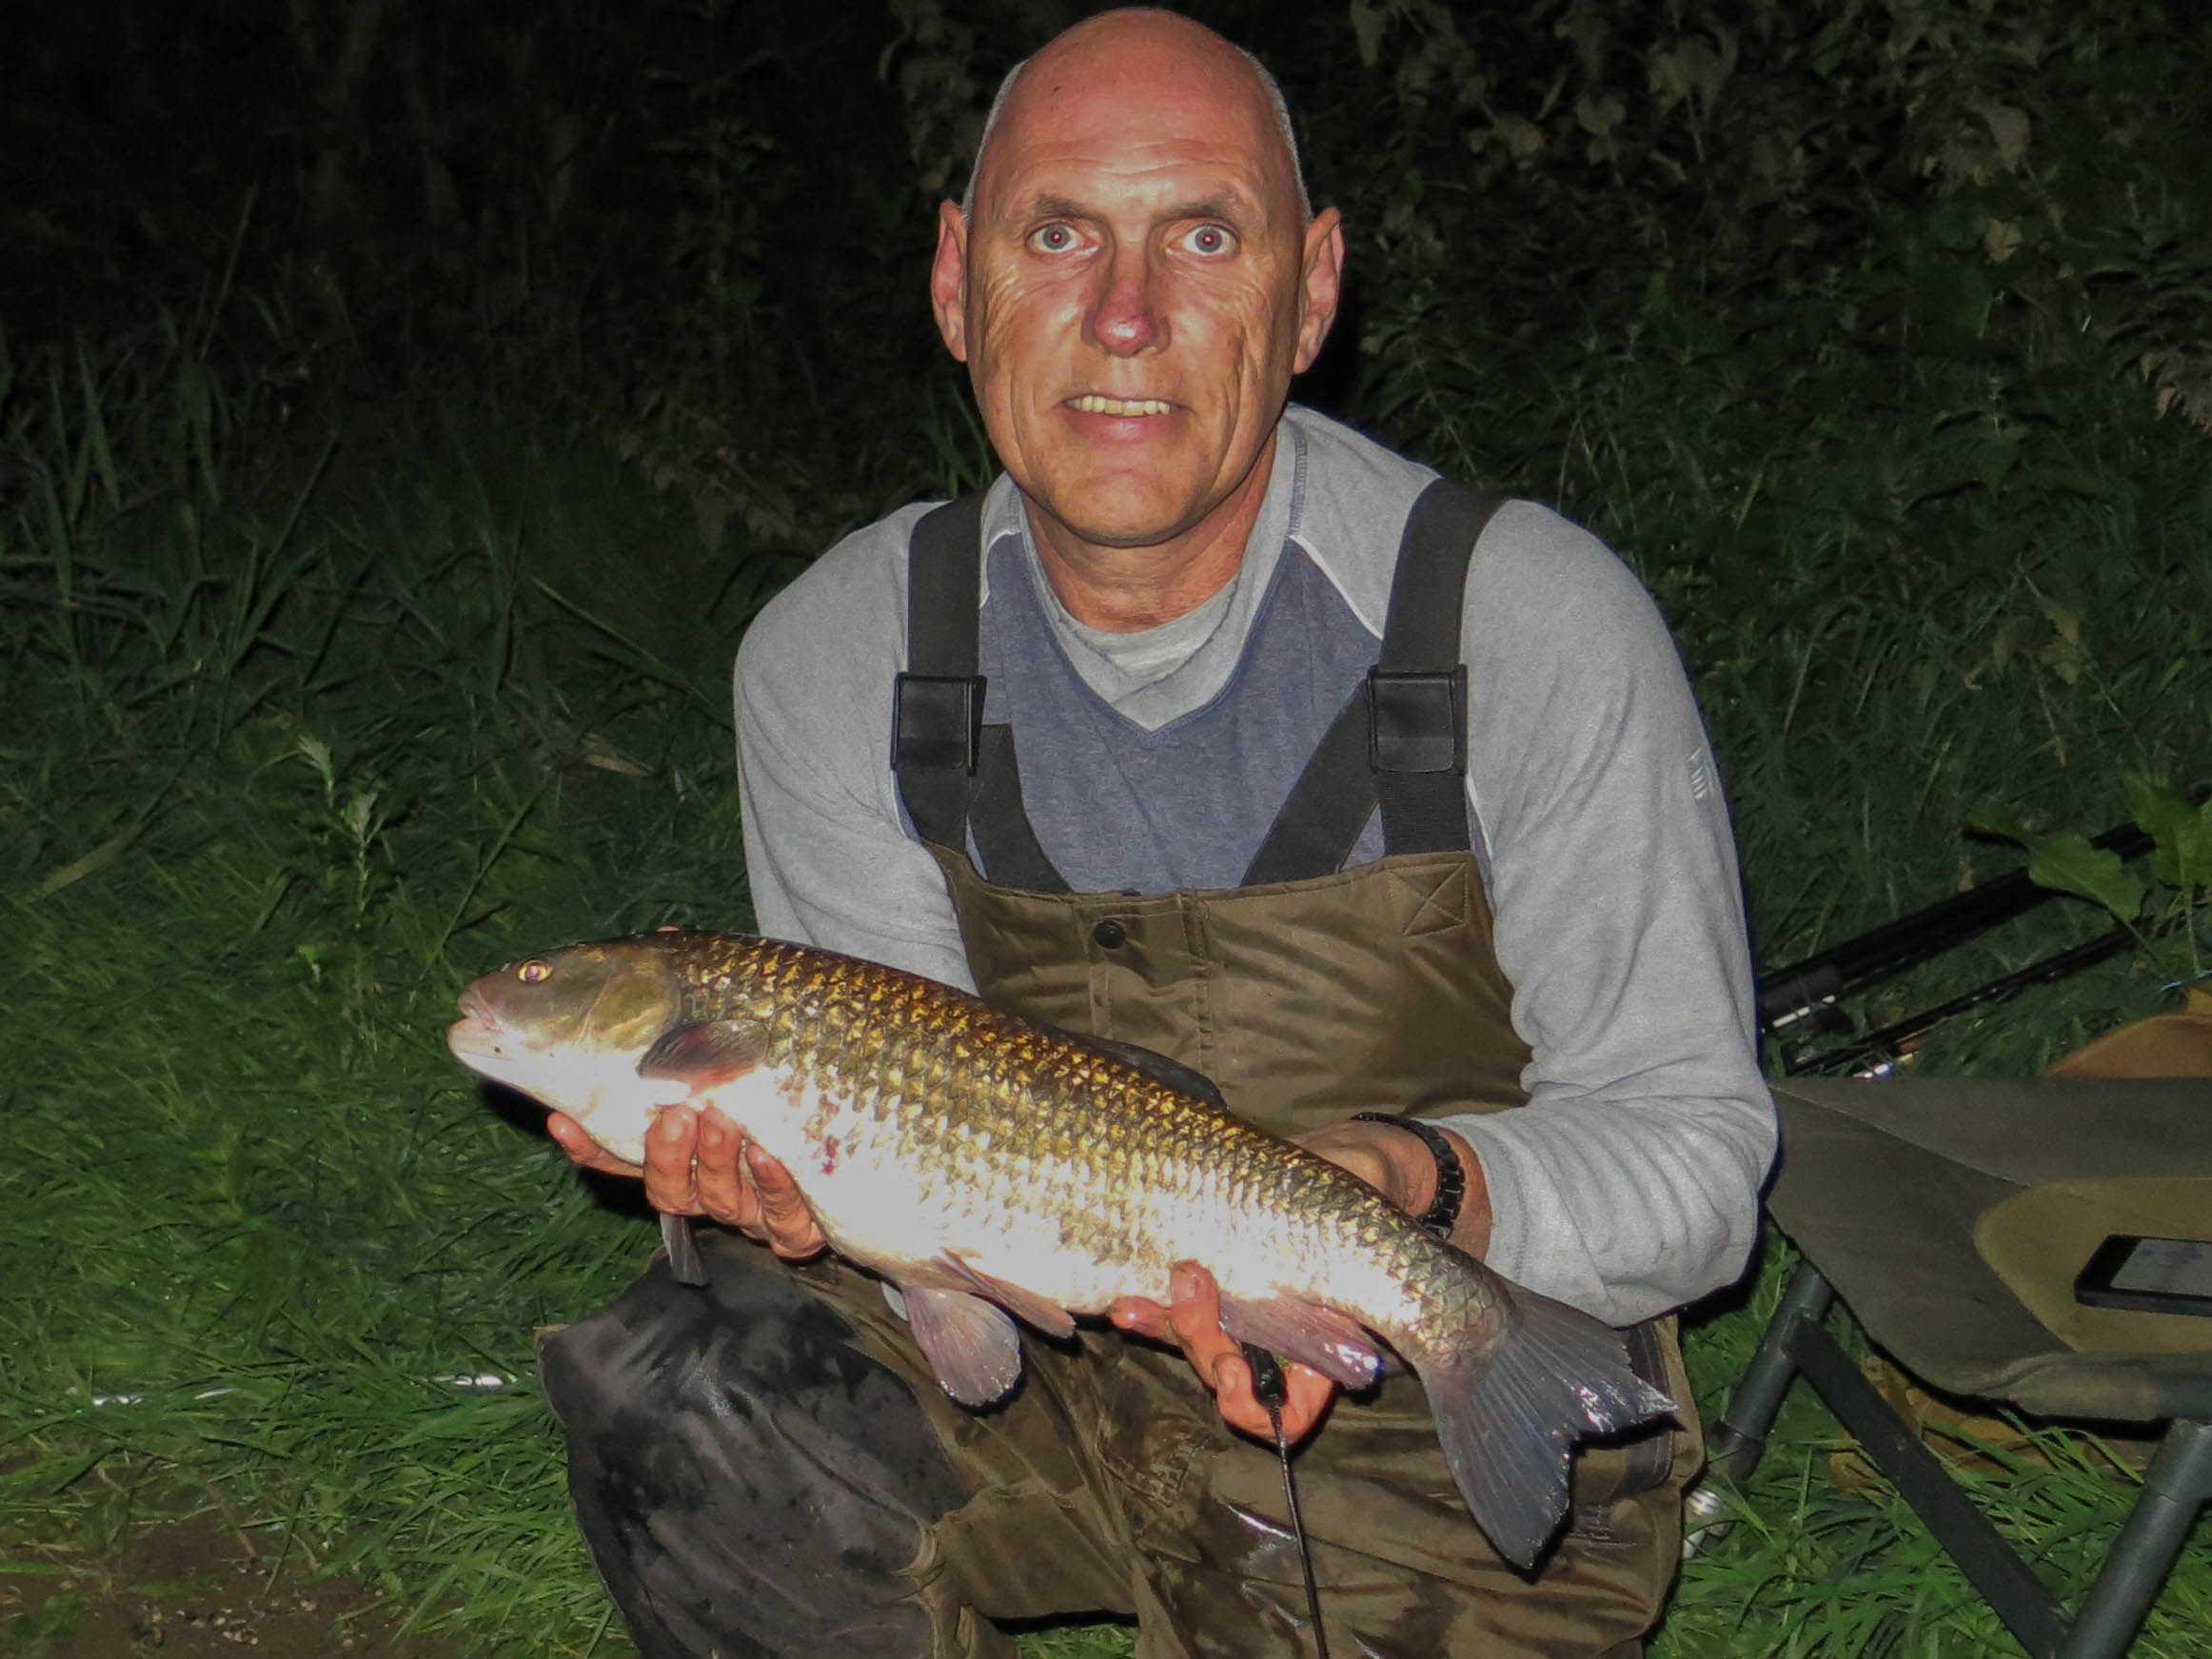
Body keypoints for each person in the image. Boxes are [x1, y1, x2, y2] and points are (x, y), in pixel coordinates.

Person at [537, 9, 1775, 1657]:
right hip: (1038, 1372)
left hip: (1393, 1406)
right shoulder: (838, 652)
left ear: (1313, 289)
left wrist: (1415, 1183)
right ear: (957, 281)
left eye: (1203, 234)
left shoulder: (1522, 620)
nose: (1124, 317)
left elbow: (1697, 1166)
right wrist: (808, 1196)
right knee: (686, 1394)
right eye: (1059, 236)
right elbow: (906, 1142)